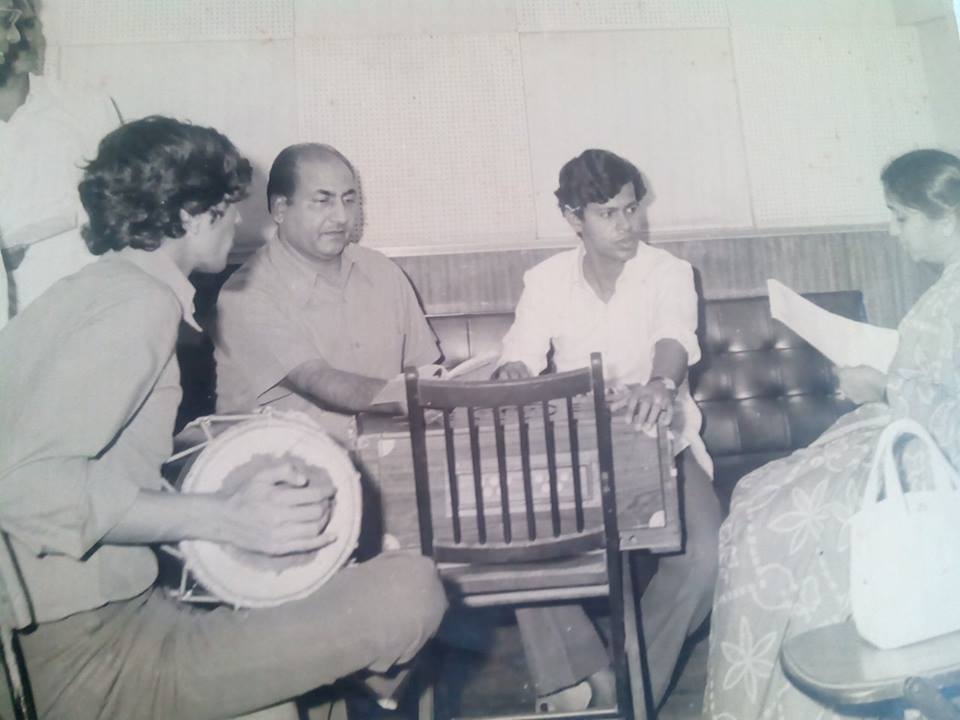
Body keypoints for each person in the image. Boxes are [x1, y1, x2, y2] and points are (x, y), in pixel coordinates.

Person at [0, 116, 447, 720]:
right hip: (87, 654)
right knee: (411, 588)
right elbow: (24, 488)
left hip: (95, 621)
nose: (239, 220)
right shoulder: (140, 308)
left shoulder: (81, 291)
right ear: (188, 213)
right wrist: (222, 517)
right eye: (227, 206)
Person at [704, 148, 960, 719]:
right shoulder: (949, 284)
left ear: (945, 215)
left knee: (776, 524)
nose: (894, 233)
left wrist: (886, 389)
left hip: (934, 463)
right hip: (907, 432)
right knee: (758, 497)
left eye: (901, 217)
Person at [496, 149, 722, 715]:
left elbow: (673, 336)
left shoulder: (667, 272)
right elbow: (519, 356)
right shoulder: (544, 280)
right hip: (576, 455)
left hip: (662, 445)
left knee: (705, 558)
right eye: (608, 214)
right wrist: (516, 373)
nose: (627, 226)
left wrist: (658, 386)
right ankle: (578, 671)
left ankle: (620, 683)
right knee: (511, 541)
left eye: (631, 210)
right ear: (574, 219)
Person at [214, 143, 440, 442]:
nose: (342, 217)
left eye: (349, 200)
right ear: (280, 209)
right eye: (323, 201)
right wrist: (428, 397)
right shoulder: (244, 294)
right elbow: (318, 380)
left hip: (388, 457)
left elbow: (425, 369)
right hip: (280, 468)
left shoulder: (383, 272)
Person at [0, 0, 121, 328]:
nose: (17, 39)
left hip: (77, 317)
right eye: (6, 24)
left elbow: (124, 210)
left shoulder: (88, 108)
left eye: (26, 24)